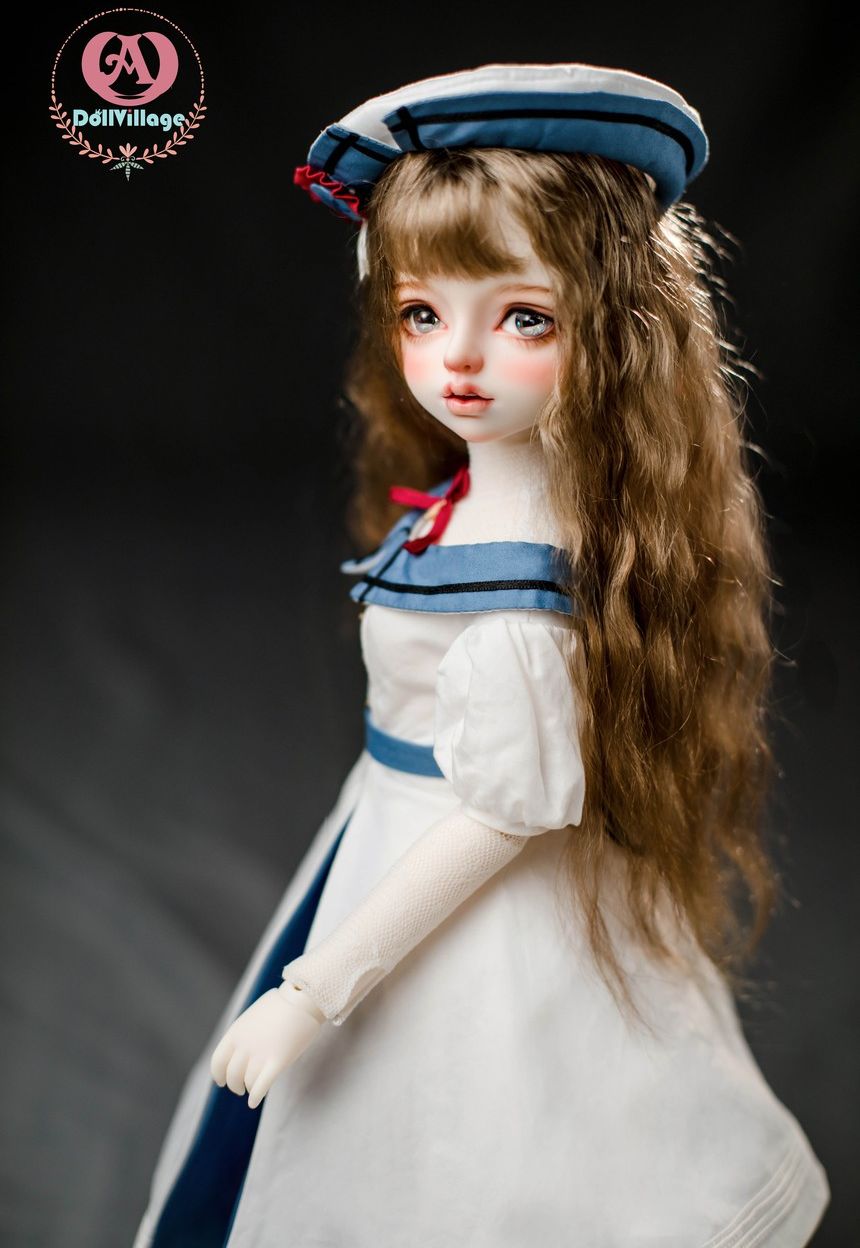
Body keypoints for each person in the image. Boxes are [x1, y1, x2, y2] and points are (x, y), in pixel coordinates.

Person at [132, 62, 831, 1247]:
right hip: (386, 829)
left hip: (463, 878)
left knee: (473, 1142)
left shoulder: (521, 597)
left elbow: (502, 818)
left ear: (609, 331)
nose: (456, 357)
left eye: (521, 318)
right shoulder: (485, 501)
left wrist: (316, 990)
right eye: (421, 313)